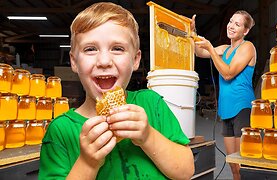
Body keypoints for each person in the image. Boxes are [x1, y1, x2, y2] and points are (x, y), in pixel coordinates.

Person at [39, 2, 194, 179]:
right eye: (90, 49)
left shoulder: (152, 104)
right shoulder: (60, 130)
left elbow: (186, 171)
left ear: (135, 60)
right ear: (74, 62)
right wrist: (88, 162)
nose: (104, 61)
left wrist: (148, 136)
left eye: (117, 48)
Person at [192, 10, 256, 180]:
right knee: (233, 165)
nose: (231, 26)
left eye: (237, 24)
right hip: (226, 111)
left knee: (244, 165)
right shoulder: (224, 49)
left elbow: (228, 73)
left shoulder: (247, 47)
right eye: (230, 21)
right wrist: (192, 33)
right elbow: (199, 52)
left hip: (242, 109)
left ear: (245, 31)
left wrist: (211, 51)